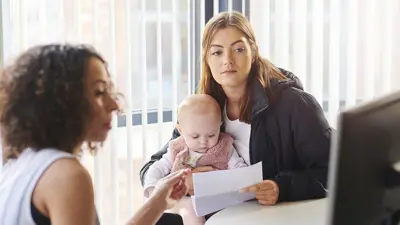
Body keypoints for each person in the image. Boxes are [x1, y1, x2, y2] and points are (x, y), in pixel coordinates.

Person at [140, 10, 331, 211]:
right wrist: (183, 181)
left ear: (254, 52)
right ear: (207, 58)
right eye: (217, 52)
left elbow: (332, 172)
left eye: (238, 49)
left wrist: (280, 187)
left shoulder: (295, 105)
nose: (228, 60)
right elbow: (154, 165)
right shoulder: (203, 107)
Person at [0, 44, 188, 225]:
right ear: (62, 104)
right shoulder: (67, 175)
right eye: (99, 92)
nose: (114, 105)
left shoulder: (20, 165)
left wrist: (159, 202)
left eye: (108, 90)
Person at [143, 94, 247, 224]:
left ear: (219, 126)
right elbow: (156, 168)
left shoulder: (224, 147)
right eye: (195, 136)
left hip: (218, 203)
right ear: (181, 131)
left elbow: (241, 171)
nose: (203, 142)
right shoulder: (177, 148)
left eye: (211, 134)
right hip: (184, 202)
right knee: (190, 209)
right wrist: (154, 191)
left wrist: (221, 180)